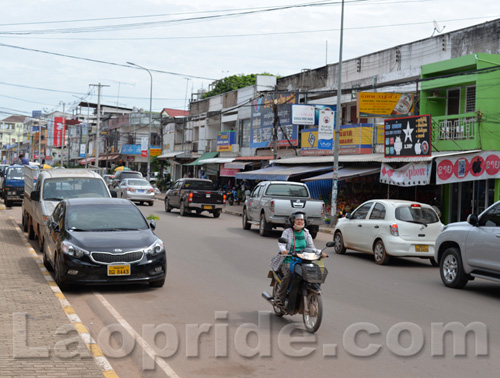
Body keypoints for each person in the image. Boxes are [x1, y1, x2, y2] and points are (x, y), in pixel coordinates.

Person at [274, 211, 326, 308]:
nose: (300, 221)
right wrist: (284, 250)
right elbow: (281, 244)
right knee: (289, 274)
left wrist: (320, 253)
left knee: (314, 273)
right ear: (292, 221)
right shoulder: (287, 232)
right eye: (297, 219)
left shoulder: (306, 233)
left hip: (303, 260)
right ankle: (279, 298)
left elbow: (311, 247)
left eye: (302, 220)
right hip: (289, 259)